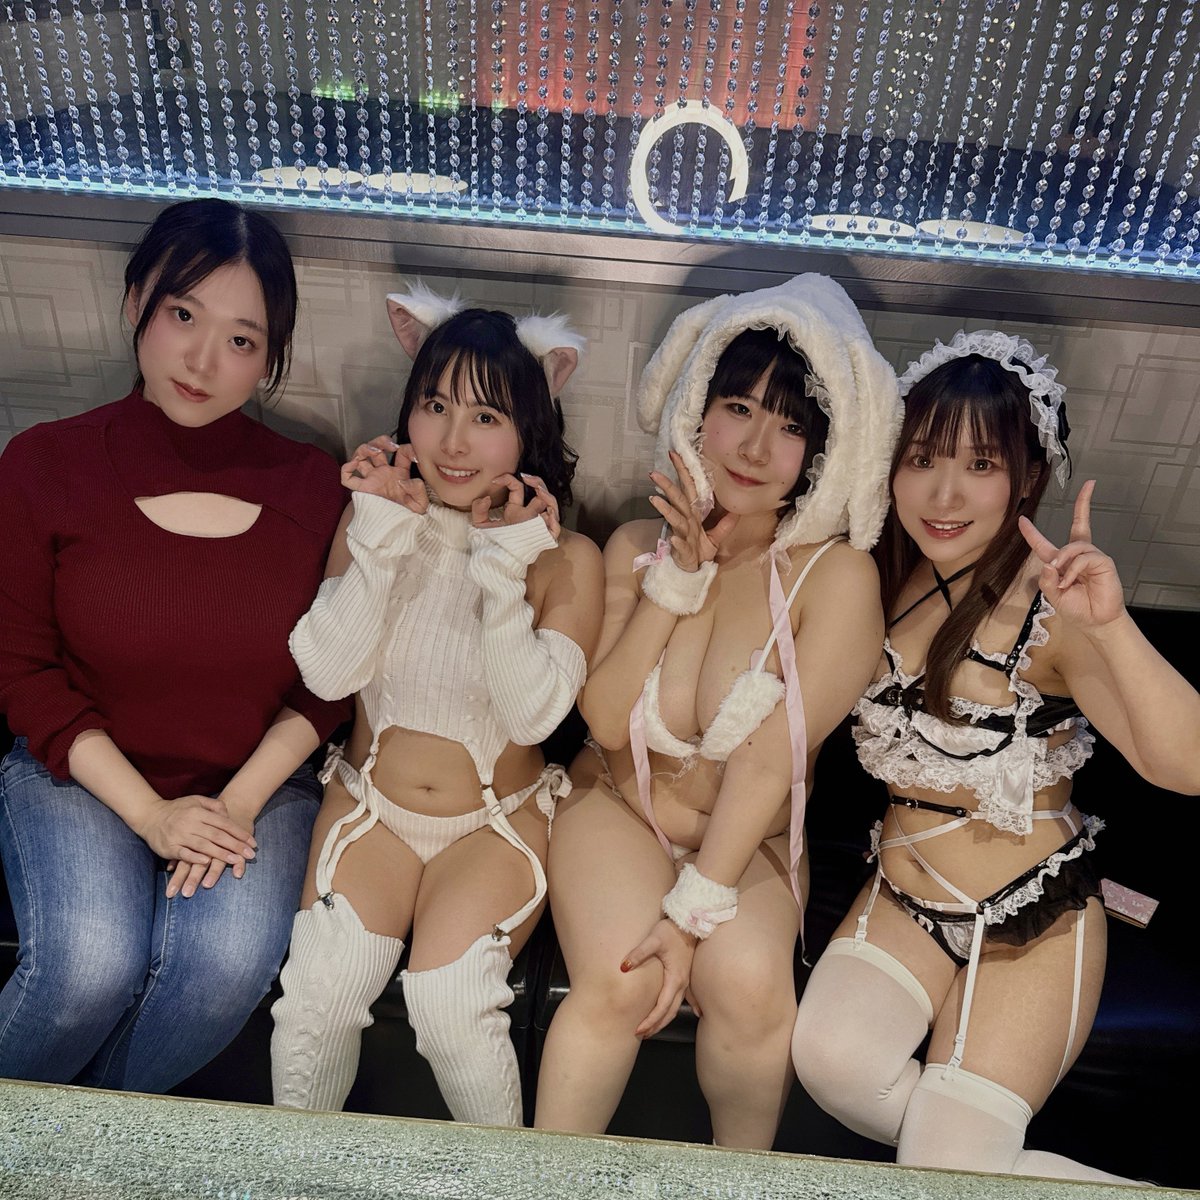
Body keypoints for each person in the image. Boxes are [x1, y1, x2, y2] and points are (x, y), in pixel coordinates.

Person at [791, 329, 1200, 1182]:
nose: (944, 494)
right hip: (901, 897)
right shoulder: (869, 576)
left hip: (1032, 914)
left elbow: (1184, 765)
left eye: (980, 465)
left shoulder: (1054, 611)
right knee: (830, 1067)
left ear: (1028, 476)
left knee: (945, 1165)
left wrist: (1110, 628)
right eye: (923, 459)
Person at [533, 273, 902, 1148]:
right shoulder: (635, 545)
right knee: (620, 979)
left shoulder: (838, 578)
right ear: (698, 406)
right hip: (617, 807)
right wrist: (677, 578)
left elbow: (771, 763)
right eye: (739, 407)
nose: (756, 445)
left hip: (749, 838)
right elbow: (605, 717)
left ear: (822, 452)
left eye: (792, 426)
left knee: (752, 990)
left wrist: (690, 915)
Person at [0, 197, 349, 1092]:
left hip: (256, 786)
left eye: (241, 339)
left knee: (221, 970)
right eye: (182, 315)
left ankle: (91, 1151)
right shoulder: (44, 464)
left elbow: (332, 680)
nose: (202, 360)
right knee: (87, 967)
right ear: (135, 304)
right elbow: (24, 672)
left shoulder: (313, 486)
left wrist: (234, 804)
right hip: (78, 771)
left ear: (269, 356)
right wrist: (153, 817)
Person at [269, 284, 604, 1126]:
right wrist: (379, 539)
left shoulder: (569, 557)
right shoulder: (375, 520)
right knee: (315, 1002)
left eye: (486, 417)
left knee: (450, 1007)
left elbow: (531, 718)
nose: (453, 441)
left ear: (530, 426)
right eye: (435, 406)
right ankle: (294, 1179)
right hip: (369, 809)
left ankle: (504, 1184)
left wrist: (503, 565)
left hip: (494, 823)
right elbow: (327, 672)